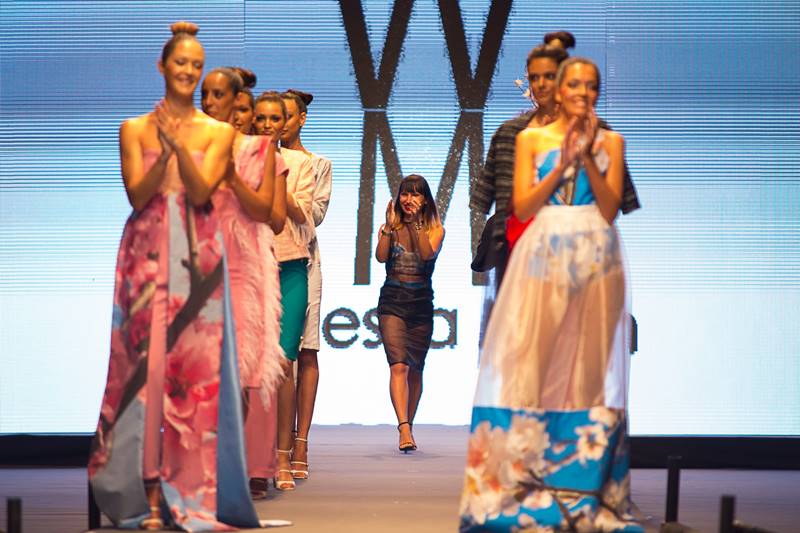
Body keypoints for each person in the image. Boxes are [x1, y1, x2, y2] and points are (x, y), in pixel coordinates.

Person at [88, 22, 261, 531]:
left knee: (194, 378)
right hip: (144, 252)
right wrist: (162, 149)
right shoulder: (133, 128)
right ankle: (140, 493)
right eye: (181, 63)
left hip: (198, 254)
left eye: (196, 65)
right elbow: (137, 195)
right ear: (162, 66)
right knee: (140, 371)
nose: (188, 72)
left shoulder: (218, 132)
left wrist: (180, 147)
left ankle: (188, 493)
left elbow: (203, 192)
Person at [459, 58, 642, 532]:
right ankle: (526, 478)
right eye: (575, 84)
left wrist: (587, 157)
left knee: (590, 369)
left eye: (592, 85)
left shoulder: (611, 141)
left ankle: (582, 485)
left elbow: (611, 208)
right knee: (533, 362)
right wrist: (562, 160)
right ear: (560, 90)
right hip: (542, 250)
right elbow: (520, 204)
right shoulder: (528, 138)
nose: (584, 93)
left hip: (597, 252)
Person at [471, 31, 640, 288]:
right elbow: (489, 198)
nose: (541, 85)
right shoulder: (510, 134)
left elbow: (616, 203)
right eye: (534, 77)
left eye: (550, 76)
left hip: (584, 251)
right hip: (518, 251)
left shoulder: (601, 134)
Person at [200, 66, 289, 499]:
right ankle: (207, 464)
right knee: (206, 366)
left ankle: (255, 466)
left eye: (242, 110)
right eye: (228, 107)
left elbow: (272, 216)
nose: (235, 116)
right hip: (203, 259)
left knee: (254, 366)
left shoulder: (262, 151)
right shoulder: (200, 147)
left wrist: (232, 177)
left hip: (248, 264)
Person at [254, 91, 316, 490]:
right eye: (260, 119)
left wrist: (277, 178)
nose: (267, 126)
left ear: (286, 123)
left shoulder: (301, 163)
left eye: (275, 119)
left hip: (291, 264)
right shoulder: (237, 158)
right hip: (251, 264)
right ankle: (253, 457)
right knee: (249, 364)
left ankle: (281, 455)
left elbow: (305, 215)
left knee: (284, 361)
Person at [280, 89, 333, 480]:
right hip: (264, 258)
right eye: (272, 116)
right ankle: (274, 442)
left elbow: (314, 215)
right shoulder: (255, 157)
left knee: (306, 350)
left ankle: (301, 442)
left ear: (301, 118)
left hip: (303, 259)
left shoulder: (317, 164)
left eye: (287, 115)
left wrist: (280, 186)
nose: (279, 123)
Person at [375, 175, 444, 452]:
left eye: (415, 194)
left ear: (425, 200)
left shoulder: (436, 229)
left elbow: (426, 254)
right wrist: (387, 229)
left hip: (421, 305)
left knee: (416, 369)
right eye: (404, 194)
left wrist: (416, 224)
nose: (408, 199)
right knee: (399, 366)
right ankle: (402, 427)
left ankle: (409, 425)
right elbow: (381, 257)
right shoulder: (390, 228)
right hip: (392, 302)